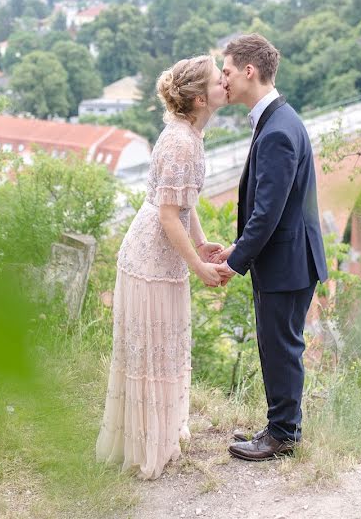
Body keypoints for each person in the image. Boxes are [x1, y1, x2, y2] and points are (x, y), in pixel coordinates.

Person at [96, 55, 228, 479]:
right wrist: (197, 266)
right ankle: (145, 444)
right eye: (216, 80)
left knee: (164, 351)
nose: (225, 82)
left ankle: (162, 430)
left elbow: (183, 203)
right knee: (151, 355)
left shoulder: (191, 134)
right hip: (150, 261)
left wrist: (203, 242)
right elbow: (168, 215)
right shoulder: (179, 142)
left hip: (164, 257)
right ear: (196, 98)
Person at [215, 34, 329, 461]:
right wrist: (238, 248)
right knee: (279, 344)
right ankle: (282, 426)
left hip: (287, 262)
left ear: (249, 71)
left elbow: (267, 213)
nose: (222, 80)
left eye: (226, 72)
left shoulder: (278, 131)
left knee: (280, 347)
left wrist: (235, 260)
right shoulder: (277, 120)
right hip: (287, 258)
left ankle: (283, 436)